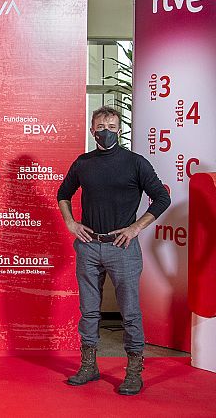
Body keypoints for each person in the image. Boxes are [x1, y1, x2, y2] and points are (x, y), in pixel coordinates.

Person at [57, 106, 170, 395]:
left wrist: (135, 228)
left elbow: (161, 198)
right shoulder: (83, 163)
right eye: (100, 125)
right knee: (89, 311)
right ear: (92, 129)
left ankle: (134, 371)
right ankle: (89, 366)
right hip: (88, 246)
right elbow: (63, 193)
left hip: (123, 248)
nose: (106, 129)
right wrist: (71, 223)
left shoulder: (135, 163)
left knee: (130, 312)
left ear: (119, 129)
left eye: (111, 124)